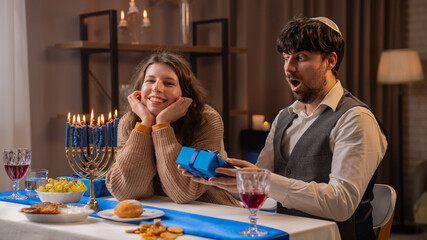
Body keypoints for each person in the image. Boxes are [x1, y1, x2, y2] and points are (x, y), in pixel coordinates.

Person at [179, 17, 387, 240]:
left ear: (331, 61)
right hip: (286, 233)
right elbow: (263, 191)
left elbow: (341, 204)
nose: (289, 67)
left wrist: (264, 180)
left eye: (301, 57)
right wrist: (226, 180)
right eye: (286, 57)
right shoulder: (284, 117)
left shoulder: (356, 119)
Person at [106, 52, 240, 207]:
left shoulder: (207, 120)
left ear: (185, 93)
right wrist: (146, 124)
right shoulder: (129, 122)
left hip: (211, 214)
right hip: (155, 215)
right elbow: (124, 191)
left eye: (169, 83)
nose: (156, 88)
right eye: (149, 81)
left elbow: (183, 192)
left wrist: (162, 125)